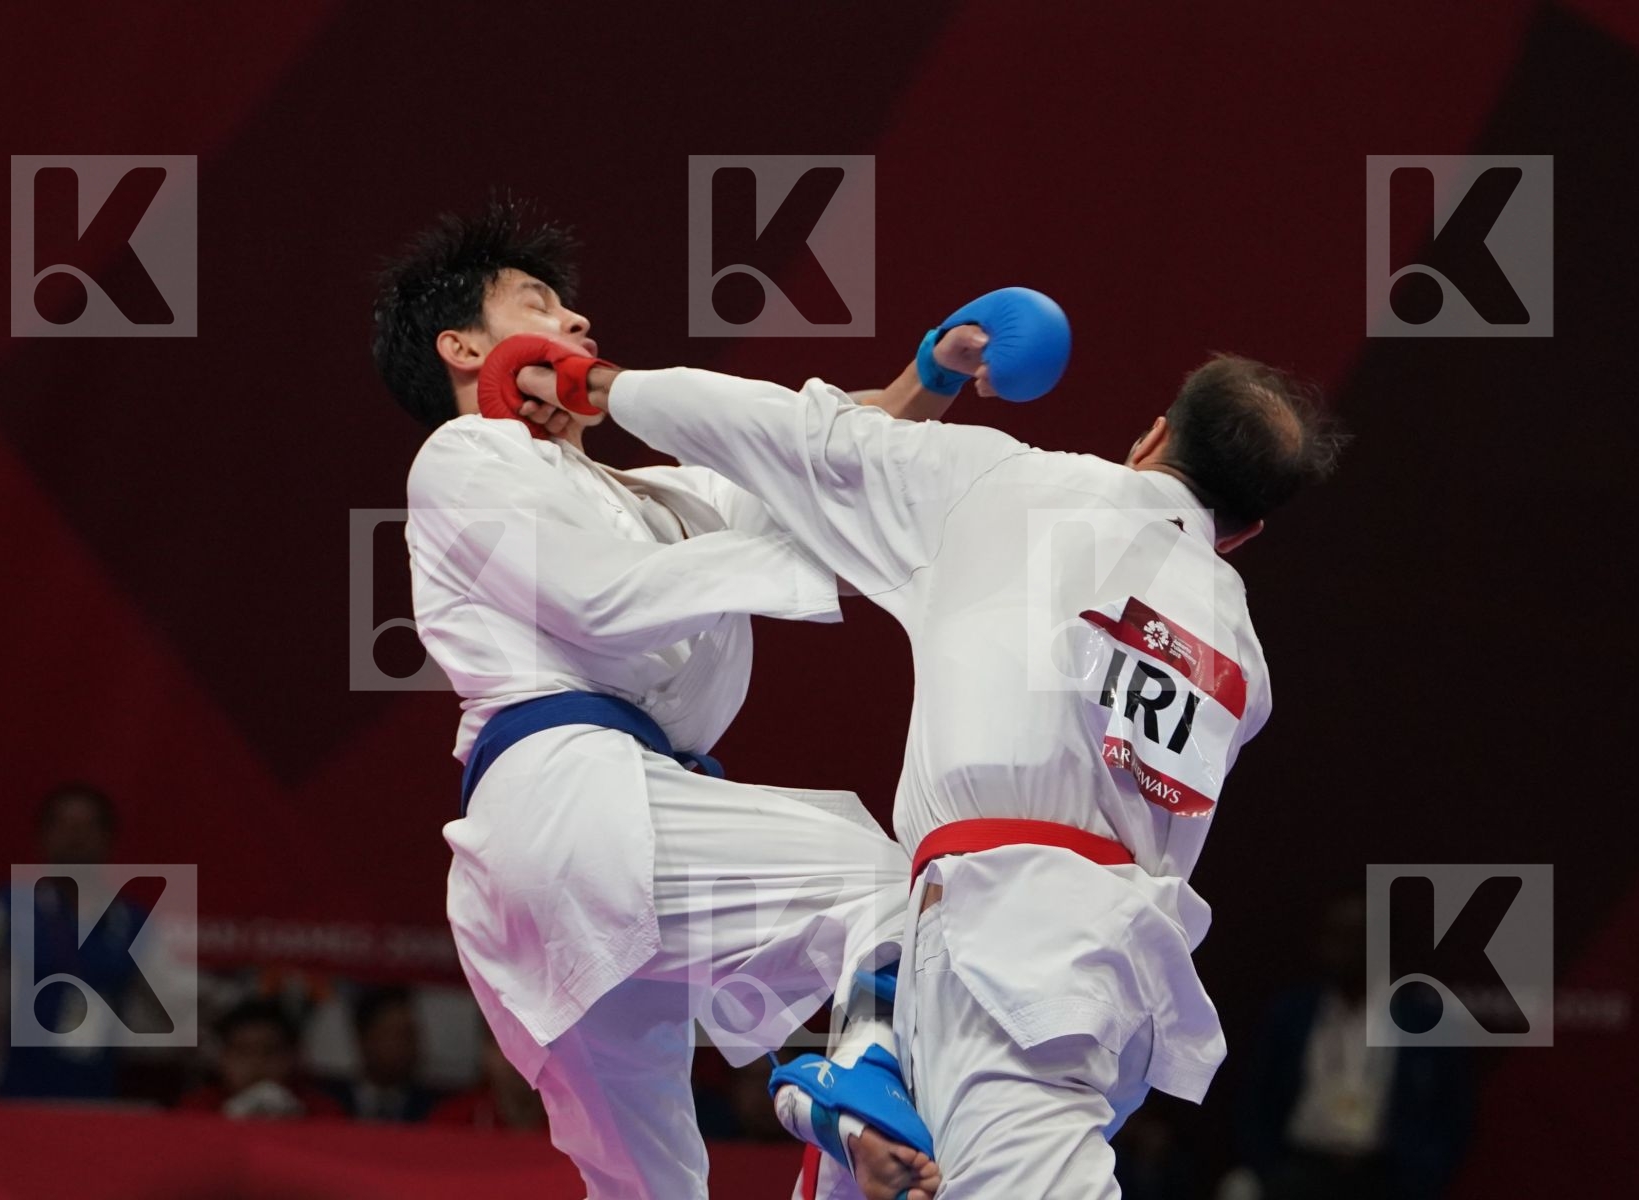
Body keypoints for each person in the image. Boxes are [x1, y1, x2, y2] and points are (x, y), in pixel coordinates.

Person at [517, 308, 1346, 1198]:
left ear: (1150, 438)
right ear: (1244, 533)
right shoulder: (1244, 667)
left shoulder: (1011, 487)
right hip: (1115, 978)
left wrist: (595, 385)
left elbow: (797, 435)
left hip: (1008, 948)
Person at [370, 199, 944, 1200]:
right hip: (570, 795)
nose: (581, 324)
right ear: (463, 346)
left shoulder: (667, 497)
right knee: (896, 889)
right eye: (539, 303)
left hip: (581, 842)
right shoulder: (467, 458)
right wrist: (787, 544)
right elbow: (602, 601)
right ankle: (840, 1087)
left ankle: (853, 1125)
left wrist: (925, 383)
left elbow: (817, 472)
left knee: (649, 1189)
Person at [0, 783, 172, 1101]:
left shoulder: (131, 922)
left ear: (109, 838)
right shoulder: (8, 908)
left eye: (87, 827)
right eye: (64, 826)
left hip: (94, 1097)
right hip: (9, 1093)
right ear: (43, 836)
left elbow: (175, 997)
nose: (76, 837)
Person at [1229, 895, 1473, 1200]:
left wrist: (1422, 1179)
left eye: (1352, 936)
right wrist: (1269, 1167)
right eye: (1332, 935)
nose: (1336, 948)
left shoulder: (1423, 1020)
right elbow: (1256, 1098)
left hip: (1384, 1177)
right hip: (1301, 1170)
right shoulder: (1292, 1014)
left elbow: (1451, 1116)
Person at [176, 998, 343, 1119]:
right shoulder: (195, 1110)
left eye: (270, 1051)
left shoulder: (322, 1111)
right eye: (243, 1051)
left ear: (292, 1057)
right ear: (222, 1057)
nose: (257, 1062)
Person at [323, 986, 440, 1122]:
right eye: (395, 1034)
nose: (408, 1045)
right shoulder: (328, 1103)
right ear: (363, 1039)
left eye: (411, 1035)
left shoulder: (434, 1109)